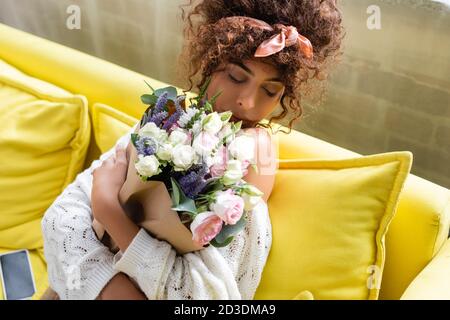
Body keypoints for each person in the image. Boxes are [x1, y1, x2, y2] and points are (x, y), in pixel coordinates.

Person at [41, 0, 344, 300]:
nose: (247, 103)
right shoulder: (171, 115)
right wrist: (100, 277)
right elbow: (62, 217)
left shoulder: (254, 162)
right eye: (236, 77)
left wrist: (110, 213)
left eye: (269, 90)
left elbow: (202, 295)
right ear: (210, 63)